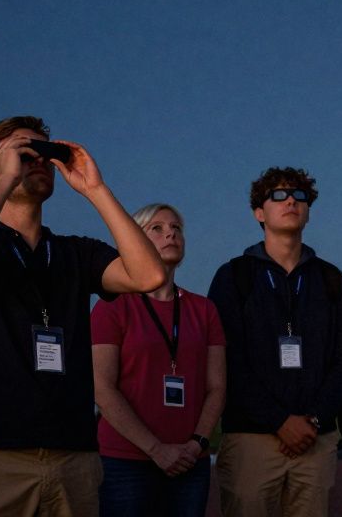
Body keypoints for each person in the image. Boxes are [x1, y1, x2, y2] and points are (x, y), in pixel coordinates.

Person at [0, 116, 167, 516]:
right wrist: (7, 179)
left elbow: (150, 276)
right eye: (25, 151)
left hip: (72, 458)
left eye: (45, 152)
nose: (39, 160)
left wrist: (95, 189)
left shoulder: (76, 252)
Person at [207, 167, 342, 517]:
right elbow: (228, 360)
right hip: (251, 439)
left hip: (314, 440)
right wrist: (279, 421)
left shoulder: (332, 279)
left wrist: (313, 420)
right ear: (259, 213)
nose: (290, 200)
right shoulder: (234, 276)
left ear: (308, 211)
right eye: (278, 195)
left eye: (299, 195)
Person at [92, 203, 228, 516]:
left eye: (176, 228)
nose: (171, 234)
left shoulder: (204, 310)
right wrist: (155, 449)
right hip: (125, 462)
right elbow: (102, 387)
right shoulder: (113, 305)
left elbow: (217, 387)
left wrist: (197, 444)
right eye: (157, 228)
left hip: (189, 462)